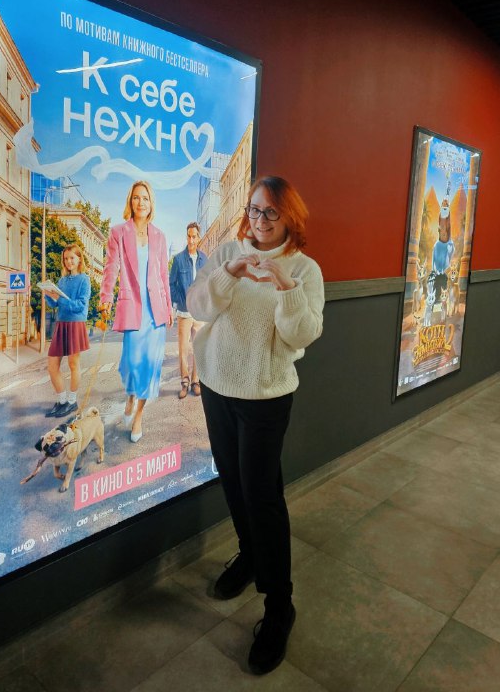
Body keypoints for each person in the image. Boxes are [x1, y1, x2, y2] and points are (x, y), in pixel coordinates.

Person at [186, 176, 324, 675]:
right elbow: (197, 306)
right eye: (254, 210)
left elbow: (302, 335)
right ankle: (248, 555)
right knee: (233, 482)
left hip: (265, 394)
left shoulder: (304, 269)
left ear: (289, 217)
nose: (259, 221)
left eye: (270, 212)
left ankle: (279, 605)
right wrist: (229, 273)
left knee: (262, 496)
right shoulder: (228, 252)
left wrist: (285, 287)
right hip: (217, 385)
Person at [100, 180, 173, 442]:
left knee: (149, 366)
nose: (140, 202)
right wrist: (106, 296)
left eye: (145, 198)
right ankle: (130, 396)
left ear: (151, 203)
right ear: (130, 202)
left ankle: (139, 415)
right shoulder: (118, 233)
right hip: (132, 307)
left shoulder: (159, 236)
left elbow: (163, 275)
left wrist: (168, 306)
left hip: (155, 311)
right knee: (132, 364)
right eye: (136, 197)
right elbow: (111, 267)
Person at [43, 243, 91, 419]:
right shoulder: (62, 281)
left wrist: (60, 299)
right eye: (66, 259)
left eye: (72, 258)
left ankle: (72, 401)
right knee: (52, 366)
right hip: (61, 324)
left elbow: (80, 306)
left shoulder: (84, 279)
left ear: (79, 259)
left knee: (73, 364)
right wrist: (48, 295)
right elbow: (56, 304)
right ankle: (62, 401)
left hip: (75, 324)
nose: (68, 261)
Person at [169, 221, 207, 399]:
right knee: (183, 349)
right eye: (189, 236)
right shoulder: (178, 260)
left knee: (198, 348)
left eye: (194, 237)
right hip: (184, 312)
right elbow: (171, 284)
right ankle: (184, 382)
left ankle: (195, 381)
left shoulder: (204, 259)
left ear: (198, 238)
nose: (191, 240)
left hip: (199, 312)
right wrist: (180, 299)